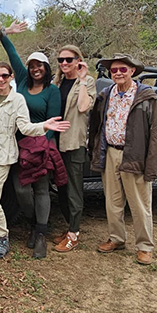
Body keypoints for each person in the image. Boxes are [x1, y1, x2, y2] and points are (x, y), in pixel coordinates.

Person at [0, 62, 69, 259]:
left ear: (11, 78)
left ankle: (2, 237)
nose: (0, 79)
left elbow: (25, 127)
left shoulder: (16, 100)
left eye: (4, 76)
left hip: (0, 155)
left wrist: (44, 125)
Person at [89, 54, 157, 265]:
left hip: (134, 154)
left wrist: (152, 163)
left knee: (140, 203)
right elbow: (96, 126)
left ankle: (145, 246)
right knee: (112, 201)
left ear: (133, 71)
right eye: (114, 70)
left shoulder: (146, 96)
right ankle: (116, 239)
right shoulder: (106, 94)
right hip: (111, 151)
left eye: (123, 69)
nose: (118, 73)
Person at [0, 33, 63, 258]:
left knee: (42, 188)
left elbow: (53, 122)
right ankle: (35, 223)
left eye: (39, 65)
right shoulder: (23, 81)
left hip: (42, 145)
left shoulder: (52, 91)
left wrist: (41, 147)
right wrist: (1, 33)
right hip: (19, 145)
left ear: (46, 67)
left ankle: (40, 233)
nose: (35, 69)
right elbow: (12, 55)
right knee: (21, 189)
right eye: (32, 65)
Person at [52, 45, 96, 253]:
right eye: (61, 60)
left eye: (69, 60)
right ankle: (70, 227)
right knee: (61, 188)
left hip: (74, 143)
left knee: (74, 191)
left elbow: (82, 107)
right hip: (57, 143)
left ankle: (74, 234)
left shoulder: (87, 82)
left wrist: (82, 78)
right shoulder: (58, 81)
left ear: (78, 60)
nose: (64, 64)